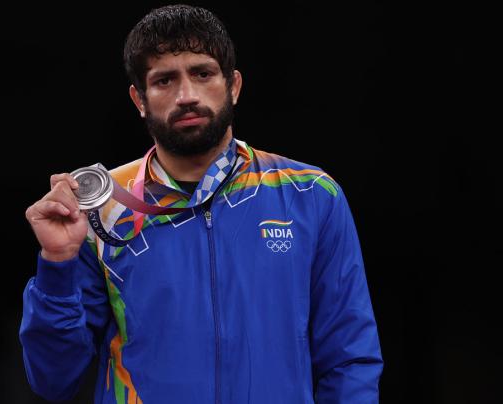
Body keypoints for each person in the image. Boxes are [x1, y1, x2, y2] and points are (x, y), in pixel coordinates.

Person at [20, 4, 383, 403]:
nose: (186, 95)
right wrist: (57, 263)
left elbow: (349, 360)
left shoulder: (311, 195)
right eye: (164, 81)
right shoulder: (101, 209)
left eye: (203, 73)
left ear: (234, 85)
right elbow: (53, 379)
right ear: (139, 99)